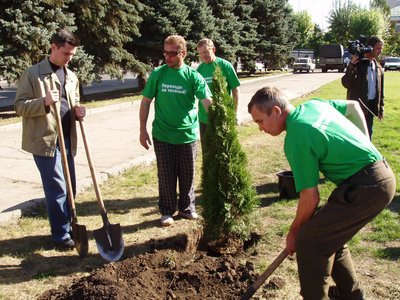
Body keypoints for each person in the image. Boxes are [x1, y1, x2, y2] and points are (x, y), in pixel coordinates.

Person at [248, 86, 396, 300]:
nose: (260, 128)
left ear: (276, 111)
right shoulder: (313, 105)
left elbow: (310, 197)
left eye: (260, 121)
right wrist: (365, 143)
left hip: (367, 187)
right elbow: (353, 107)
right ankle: (352, 295)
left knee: (309, 241)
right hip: (377, 175)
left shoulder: (296, 136)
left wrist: (294, 232)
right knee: (327, 236)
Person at [15, 28, 86, 250]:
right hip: (46, 141)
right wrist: (43, 102)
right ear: (53, 47)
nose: (69, 58)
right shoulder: (33, 73)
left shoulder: (71, 76)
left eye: (72, 55)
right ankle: (61, 235)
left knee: (71, 188)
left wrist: (79, 111)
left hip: (67, 140)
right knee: (57, 188)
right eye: (66, 53)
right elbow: (19, 106)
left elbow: (73, 103)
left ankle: (69, 225)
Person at [139, 35, 212, 227]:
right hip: (162, 135)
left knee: (187, 174)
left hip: (187, 135)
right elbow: (146, 102)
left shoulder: (193, 76)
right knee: (166, 175)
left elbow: (207, 101)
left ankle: (187, 209)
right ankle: (167, 211)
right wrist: (142, 130)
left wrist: (219, 119)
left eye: (173, 53)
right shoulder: (158, 74)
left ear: (184, 53)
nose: (168, 57)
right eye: (166, 53)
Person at [196, 38, 240, 147]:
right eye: (201, 53)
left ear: (213, 49)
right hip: (204, 118)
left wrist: (235, 112)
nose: (203, 55)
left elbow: (235, 89)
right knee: (207, 152)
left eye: (206, 51)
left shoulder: (225, 65)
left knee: (224, 148)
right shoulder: (199, 70)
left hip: (223, 116)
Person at [342, 35, 384, 140]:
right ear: (370, 47)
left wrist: (380, 109)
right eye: (378, 48)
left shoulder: (378, 67)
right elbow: (346, 83)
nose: (380, 51)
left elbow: (381, 90)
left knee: (368, 135)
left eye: (381, 49)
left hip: (371, 107)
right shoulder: (358, 64)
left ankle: (366, 155)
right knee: (356, 137)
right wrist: (351, 65)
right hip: (358, 107)